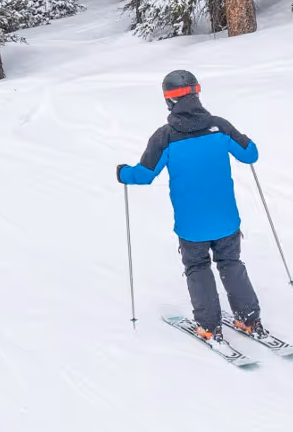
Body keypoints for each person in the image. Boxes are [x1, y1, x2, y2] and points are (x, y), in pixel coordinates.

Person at [114, 69, 265, 341]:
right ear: (196, 93)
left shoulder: (166, 137)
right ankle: (249, 320)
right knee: (230, 263)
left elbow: (145, 175)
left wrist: (123, 173)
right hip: (227, 220)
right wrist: (245, 138)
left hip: (191, 226)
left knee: (197, 268)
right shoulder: (220, 126)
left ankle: (209, 326)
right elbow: (250, 154)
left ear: (169, 101)